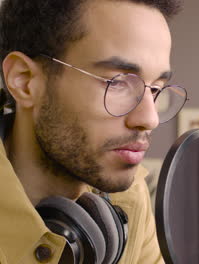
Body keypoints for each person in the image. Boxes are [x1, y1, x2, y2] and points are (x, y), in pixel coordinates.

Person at [0, 0, 185, 263]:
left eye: (155, 89)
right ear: (25, 81)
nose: (150, 118)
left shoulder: (130, 197)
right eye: (118, 83)